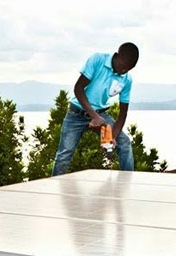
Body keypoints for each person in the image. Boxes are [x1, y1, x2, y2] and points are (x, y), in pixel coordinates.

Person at [52, 42, 139, 176]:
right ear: (116, 56)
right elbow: (78, 88)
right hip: (76, 113)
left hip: (101, 114)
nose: (123, 71)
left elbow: (123, 112)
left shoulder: (126, 80)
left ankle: (127, 184)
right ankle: (55, 186)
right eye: (122, 66)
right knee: (64, 154)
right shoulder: (98, 60)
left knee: (125, 143)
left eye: (127, 69)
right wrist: (94, 116)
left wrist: (112, 137)